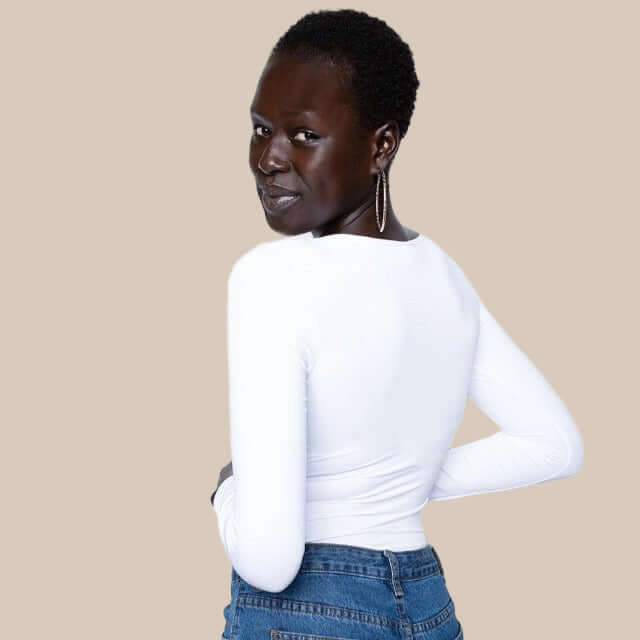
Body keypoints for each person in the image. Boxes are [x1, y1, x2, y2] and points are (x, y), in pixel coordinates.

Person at [210, 9, 584, 640]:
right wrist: (394, 483)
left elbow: (271, 563)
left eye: (304, 135)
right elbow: (555, 445)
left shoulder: (269, 278)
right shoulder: (443, 276)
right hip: (425, 604)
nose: (269, 158)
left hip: (306, 612)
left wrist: (228, 493)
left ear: (381, 144)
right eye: (260, 128)